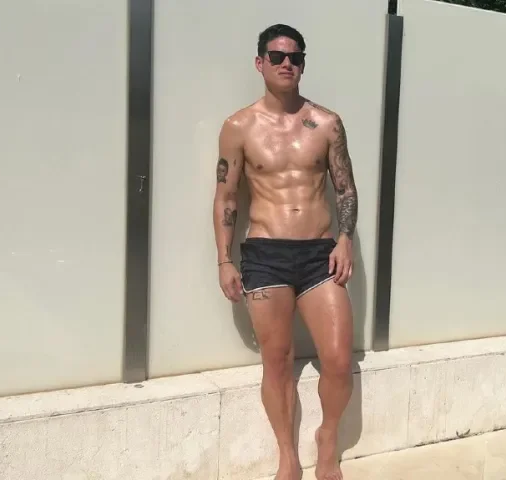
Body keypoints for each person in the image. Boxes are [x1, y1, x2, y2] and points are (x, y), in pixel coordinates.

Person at [212, 24, 358, 480]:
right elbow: (226, 196)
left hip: (319, 254)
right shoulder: (239, 126)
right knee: (276, 363)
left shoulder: (327, 123)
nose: (286, 63)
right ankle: (287, 457)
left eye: (295, 57)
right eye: (277, 56)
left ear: (303, 64)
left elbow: (345, 189)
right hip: (265, 255)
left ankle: (327, 440)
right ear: (260, 63)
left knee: (339, 360)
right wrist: (224, 259)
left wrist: (345, 238)